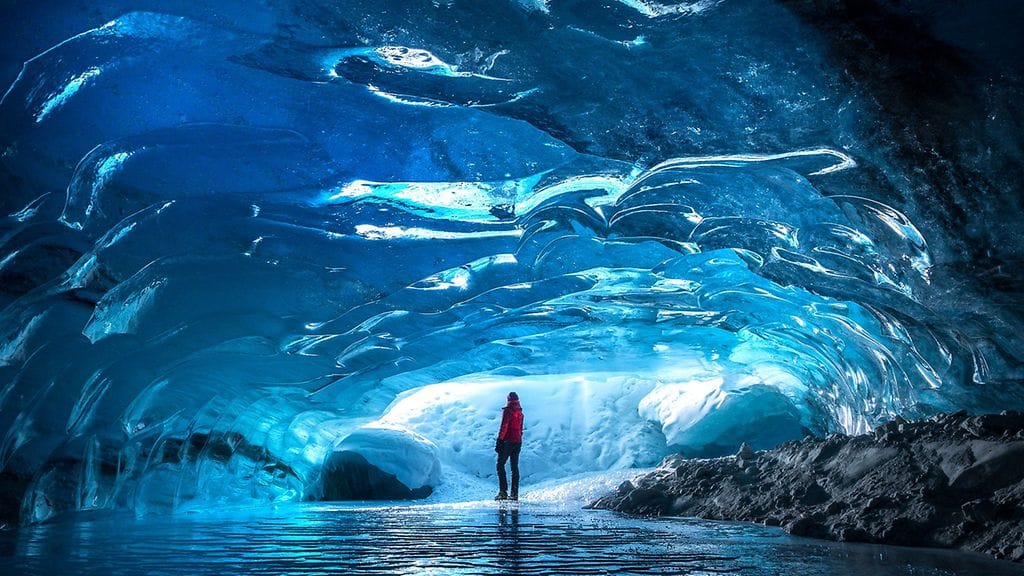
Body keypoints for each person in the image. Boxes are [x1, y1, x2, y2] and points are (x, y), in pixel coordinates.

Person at [495, 391, 523, 501]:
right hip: (518, 441)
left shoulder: (508, 411)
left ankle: (503, 492)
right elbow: (520, 429)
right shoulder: (520, 412)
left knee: (500, 465)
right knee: (514, 467)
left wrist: (499, 440)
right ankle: (514, 493)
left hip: (508, 441)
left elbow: (504, 426)